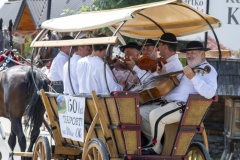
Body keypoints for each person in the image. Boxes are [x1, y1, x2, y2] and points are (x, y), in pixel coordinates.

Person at [140, 40, 218, 155]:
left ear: (202, 54)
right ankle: (156, 141)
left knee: (155, 115)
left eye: (193, 52)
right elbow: (174, 86)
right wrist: (162, 74)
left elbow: (210, 93)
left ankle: (156, 147)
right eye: (188, 53)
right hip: (168, 104)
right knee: (140, 112)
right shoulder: (188, 68)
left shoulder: (208, 70)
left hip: (184, 107)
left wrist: (193, 77)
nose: (190, 55)